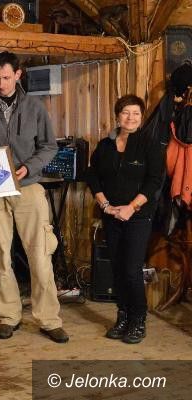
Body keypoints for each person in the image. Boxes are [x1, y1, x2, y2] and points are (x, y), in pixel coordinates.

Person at [0, 51, 69, 343]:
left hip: (29, 187)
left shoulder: (35, 107)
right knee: (0, 254)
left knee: (40, 255)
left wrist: (29, 167)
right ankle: (9, 316)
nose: (1, 83)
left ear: (18, 74)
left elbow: (49, 146)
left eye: (6, 77)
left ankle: (49, 319)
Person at [86, 94, 164, 344]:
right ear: (117, 116)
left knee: (131, 269)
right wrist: (105, 205)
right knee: (117, 269)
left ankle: (138, 319)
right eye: (126, 113)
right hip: (112, 216)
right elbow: (92, 176)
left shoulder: (150, 144)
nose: (131, 118)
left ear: (141, 117)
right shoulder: (105, 145)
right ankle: (123, 315)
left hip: (138, 216)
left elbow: (154, 181)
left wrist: (131, 207)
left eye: (136, 113)